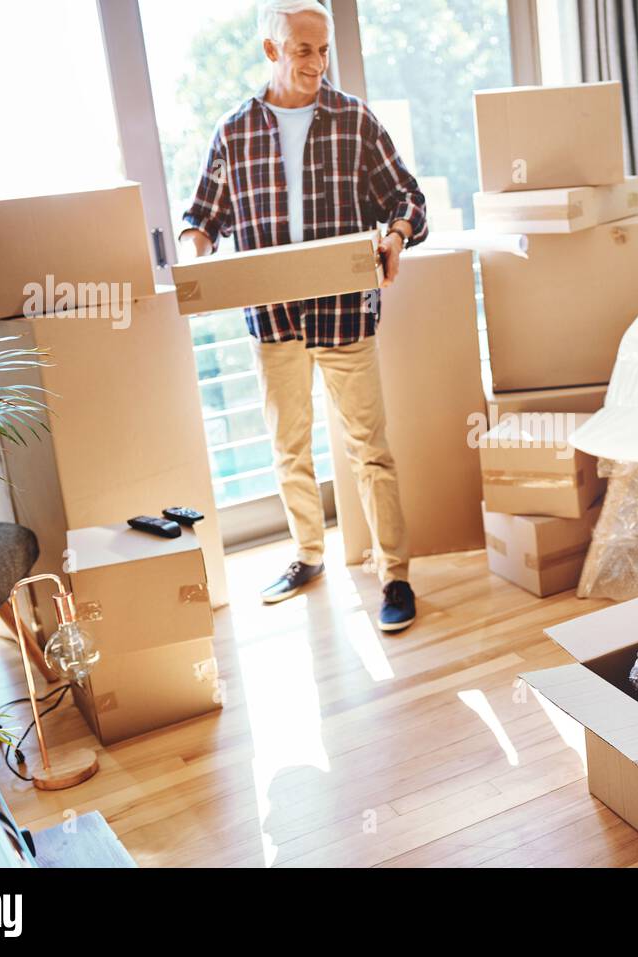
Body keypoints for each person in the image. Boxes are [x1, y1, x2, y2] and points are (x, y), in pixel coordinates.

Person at [179, 0, 426, 632]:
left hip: (345, 317)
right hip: (274, 320)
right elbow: (201, 219)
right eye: (302, 50)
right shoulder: (235, 131)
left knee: (370, 449)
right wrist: (193, 261)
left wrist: (396, 236)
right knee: (289, 449)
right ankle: (308, 556)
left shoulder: (354, 120)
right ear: (271, 51)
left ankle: (394, 573)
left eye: (323, 50)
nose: (317, 62)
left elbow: (407, 198)